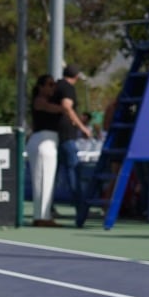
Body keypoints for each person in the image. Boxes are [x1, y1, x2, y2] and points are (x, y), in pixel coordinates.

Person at [53, 66, 95, 226]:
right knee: (73, 172)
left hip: (58, 136)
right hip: (65, 137)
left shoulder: (58, 86)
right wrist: (82, 127)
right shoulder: (67, 88)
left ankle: (48, 208)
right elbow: (66, 106)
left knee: (55, 174)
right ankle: (81, 209)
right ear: (76, 76)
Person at [28, 74, 62, 226]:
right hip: (43, 141)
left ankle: (43, 215)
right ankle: (42, 216)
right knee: (42, 180)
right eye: (49, 85)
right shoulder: (39, 101)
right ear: (40, 87)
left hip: (49, 141)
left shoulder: (46, 100)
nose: (52, 88)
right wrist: (65, 107)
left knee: (47, 180)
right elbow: (54, 109)